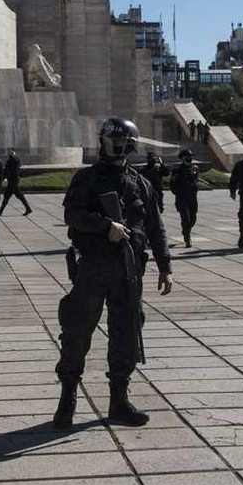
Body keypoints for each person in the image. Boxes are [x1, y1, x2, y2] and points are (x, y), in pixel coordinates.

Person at [52, 117, 172, 429]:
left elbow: (156, 228)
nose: (113, 148)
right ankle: (67, 400)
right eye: (108, 142)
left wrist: (165, 266)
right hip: (92, 266)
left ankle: (119, 400)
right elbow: (72, 214)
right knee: (77, 331)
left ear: (130, 146)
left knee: (127, 334)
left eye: (119, 144)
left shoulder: (141, 183)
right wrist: (106, 226)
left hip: (128, 270)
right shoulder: (87, 179)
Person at [169, 149, 201, 247]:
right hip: (181, 198)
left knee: (193, 219)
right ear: (182, 158)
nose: (190, 158)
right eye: (187, 156)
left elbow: (196, 181)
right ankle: (187, 237)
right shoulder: (177, 171)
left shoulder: (195, 169)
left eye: (190, 156)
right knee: (186, 218)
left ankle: (186, 230)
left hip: (192, 197)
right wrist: (178, 192)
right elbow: (172, 184)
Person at [0, 149, 32, 216]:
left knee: (7, 196)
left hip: (12, 181)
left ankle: (0, 211)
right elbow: (18, 167)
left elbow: (7, 170)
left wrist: (3, 178)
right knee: (19, 195)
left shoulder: (10, 161)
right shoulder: (17, 160)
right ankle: (28, 208)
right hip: (16, 180)